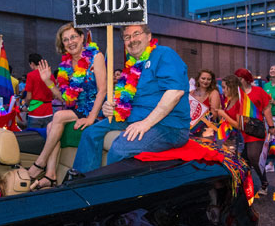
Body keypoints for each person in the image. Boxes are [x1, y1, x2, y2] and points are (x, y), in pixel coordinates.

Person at [71, 25, 190, 174]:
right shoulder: (131, 66)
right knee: (90, 133)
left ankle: (113, 193)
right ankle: (84, 182)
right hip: (132, 119)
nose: (132, 40)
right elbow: (126, 102)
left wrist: (146, 124)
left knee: (120, 148)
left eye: (136, 34)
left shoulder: (164, 54)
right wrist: (111, 108)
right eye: (127, 37)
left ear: (148, 36)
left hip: (168, 126)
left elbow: (175, 92)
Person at [26, 23, 106, 189]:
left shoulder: (95, 57)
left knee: (58, 116)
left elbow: (103, 90)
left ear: (82, 37)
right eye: (65, 40)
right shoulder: (66, 65)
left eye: (73, 37)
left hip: (95, 111)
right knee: (50, 127)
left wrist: (91, 117)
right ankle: (50, 175)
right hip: (76, 109)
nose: (70, 42)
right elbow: (65, 99)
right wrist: (48, 80)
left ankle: (39, 164)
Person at [232, 68, 275, 194]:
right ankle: (244, 184)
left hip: (256, 130)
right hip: (241, 131)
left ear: (246, 79)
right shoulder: (236, 93)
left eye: (239, 79)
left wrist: (271, 126)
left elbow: (266, 109)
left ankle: (264, 183)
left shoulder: (258, 91)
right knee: (243, 159)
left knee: (254, 157)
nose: (238, 81)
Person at [24, 53, 55, 129]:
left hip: (35, 111)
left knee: (33, 138)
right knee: (48, 136)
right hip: (49, 111)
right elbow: (54, 95)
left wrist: (26, 105)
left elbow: (29, 97)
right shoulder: (50, 75)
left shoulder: (31, 75)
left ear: (32, 63)